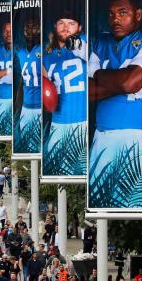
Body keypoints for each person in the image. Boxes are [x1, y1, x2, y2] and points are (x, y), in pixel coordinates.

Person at [89, 0, 142, 206]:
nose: (115, 19)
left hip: (135, 135)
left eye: (122, 13)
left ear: (138, 14)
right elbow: (87, 91)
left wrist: (102, 76)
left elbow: (131, 82)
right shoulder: (101, 42)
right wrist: (119, 80)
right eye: (111, 14)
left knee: (133, 202)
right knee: (100, 203)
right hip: (102, 134)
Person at [42, 10, 87, 175]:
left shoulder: (84, 42)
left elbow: (81, 46)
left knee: (80, 174)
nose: (66, 27)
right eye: (62, 22)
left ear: (80, 27)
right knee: (55, 176)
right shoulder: (48, 56)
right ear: (55, 26)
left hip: (82, 122)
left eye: (71, 23)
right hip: (57, 124)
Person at [14, 17, 42, 152]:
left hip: (41, 107)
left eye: (34, 27)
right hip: (26, 108)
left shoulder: (45, 50)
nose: (30, 31)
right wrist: (17, 107)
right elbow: (21, 82)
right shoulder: (20, 53)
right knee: (27, 148)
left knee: (41, 146)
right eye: (27, 29)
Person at [0, 21, 13, 137]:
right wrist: (8, 70)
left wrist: (2, 72)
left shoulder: (19, 50)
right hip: (2, 99)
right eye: (5, 31)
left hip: (18, 100)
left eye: (10, 31)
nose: (8, 33)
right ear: (2, 33)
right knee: (1, 134)